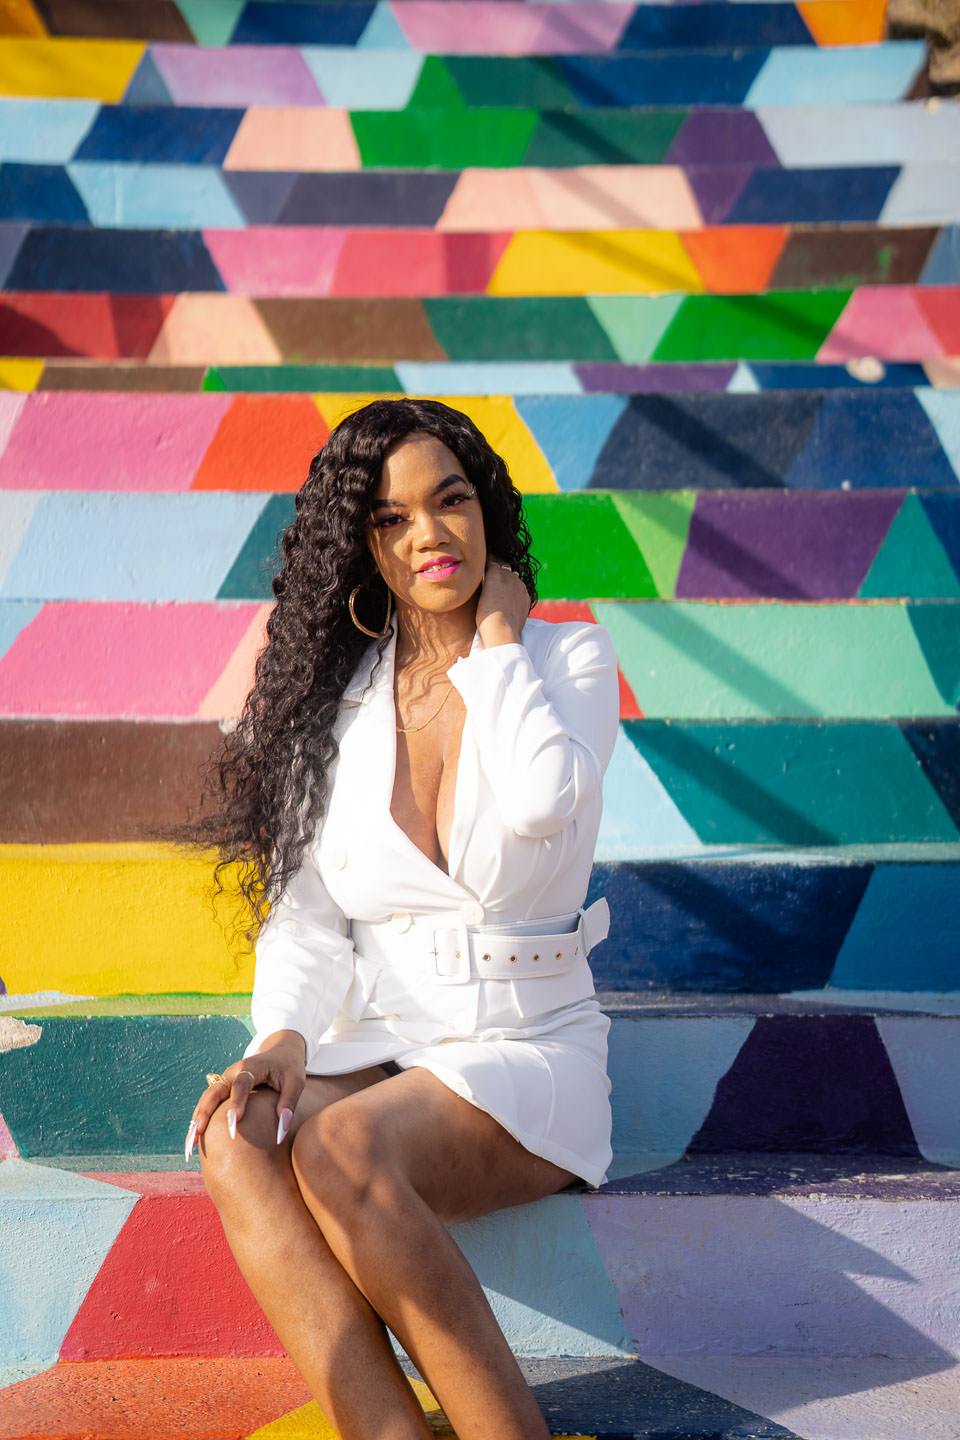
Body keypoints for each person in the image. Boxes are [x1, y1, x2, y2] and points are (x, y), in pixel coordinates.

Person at [184, 397, 620, 1440]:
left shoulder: (568, 664)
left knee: (339, 1149)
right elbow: (306, 914)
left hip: (526, 1045)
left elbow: (542, 804)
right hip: (386, 1042)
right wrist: (283, 1038)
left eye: (450, 500)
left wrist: (499, 641)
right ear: (363, 547)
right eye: (391, 518)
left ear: (486, 510)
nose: (429, 533)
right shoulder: (338, 706)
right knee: (239, 1137)